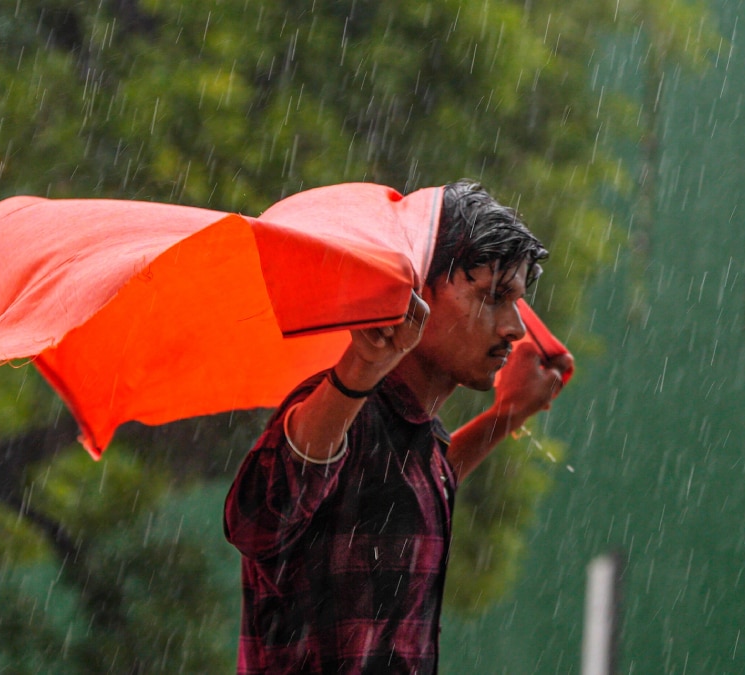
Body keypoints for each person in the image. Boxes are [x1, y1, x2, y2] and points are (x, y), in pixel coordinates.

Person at [223, 180, 572, 674]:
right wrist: (358, 372)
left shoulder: (414, 440)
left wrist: (506, 415)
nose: (514, 326)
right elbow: (258, 520)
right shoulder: (342, 410)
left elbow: (411, 491)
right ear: (414, 292)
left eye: (515, 299)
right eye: (492, 295)